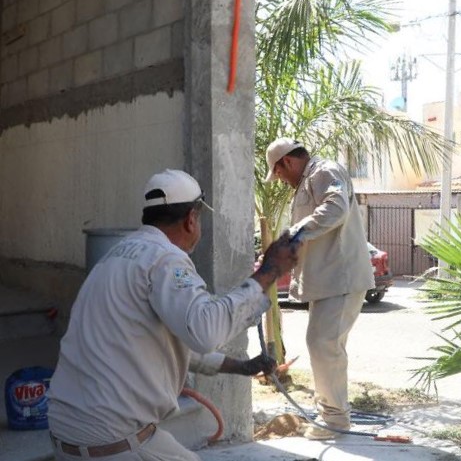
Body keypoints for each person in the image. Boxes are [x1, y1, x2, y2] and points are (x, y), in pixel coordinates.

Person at [47, 169, 300, 460]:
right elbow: (204, 331)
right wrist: (269, 271)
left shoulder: (116, 256)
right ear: (191, 219)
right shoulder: (165, 259)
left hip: (68, 429)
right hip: (110, 440)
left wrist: (239, 367)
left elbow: (163, 341)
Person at [264, 138, 374, 440]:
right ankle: (331, 413)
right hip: (329, 280)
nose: (281, 181)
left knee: (323, 344)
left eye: (279, 174)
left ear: (286, 162)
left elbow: (335, 209)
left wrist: (294, 234)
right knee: (322, 344)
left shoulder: (324, 172)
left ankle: (335, 420)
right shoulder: (309, 181)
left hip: (341, 278)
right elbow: (315, 234)